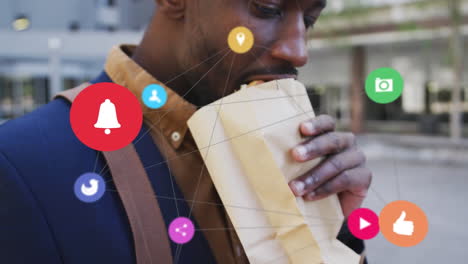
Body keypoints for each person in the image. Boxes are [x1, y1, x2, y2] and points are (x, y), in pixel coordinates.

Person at [0, 0, 372, 263]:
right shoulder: (20, 164)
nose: (299, 50)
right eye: (268, 9)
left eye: (309, 19)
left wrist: (336, 230)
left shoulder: (291, 151)